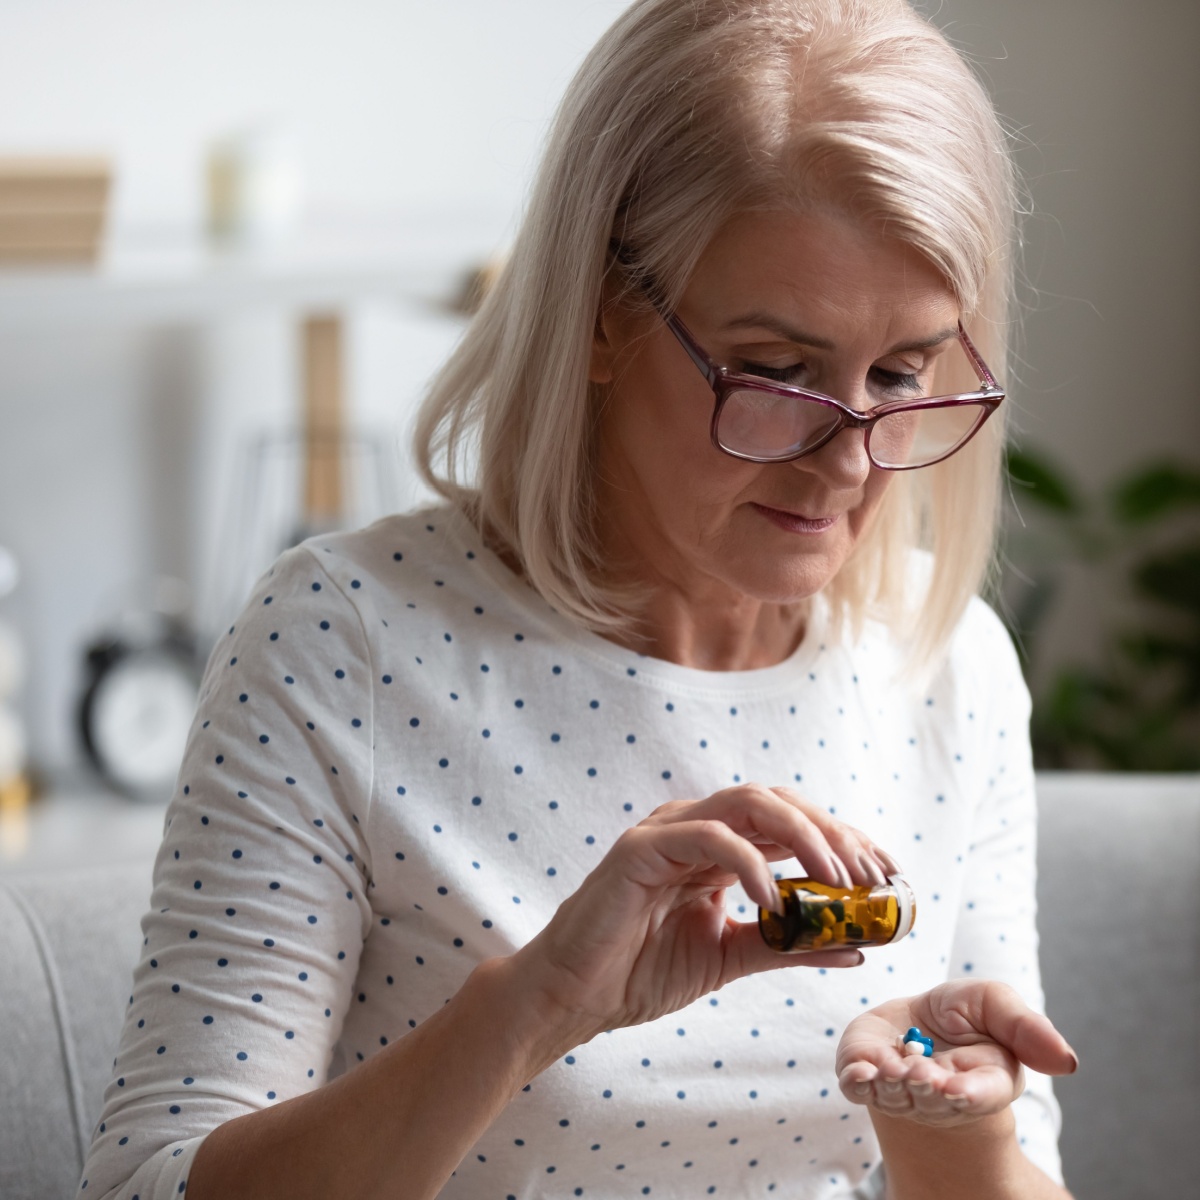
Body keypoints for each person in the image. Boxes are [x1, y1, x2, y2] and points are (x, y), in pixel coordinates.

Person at [78, 1, 1080, 1197]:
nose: (850, 458)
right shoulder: (342, 644)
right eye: (776, 372)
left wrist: (946, 1125)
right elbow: (147, 1185)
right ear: (605, 310)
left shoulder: (948, 663)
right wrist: (536, 1007)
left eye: (903, 374)